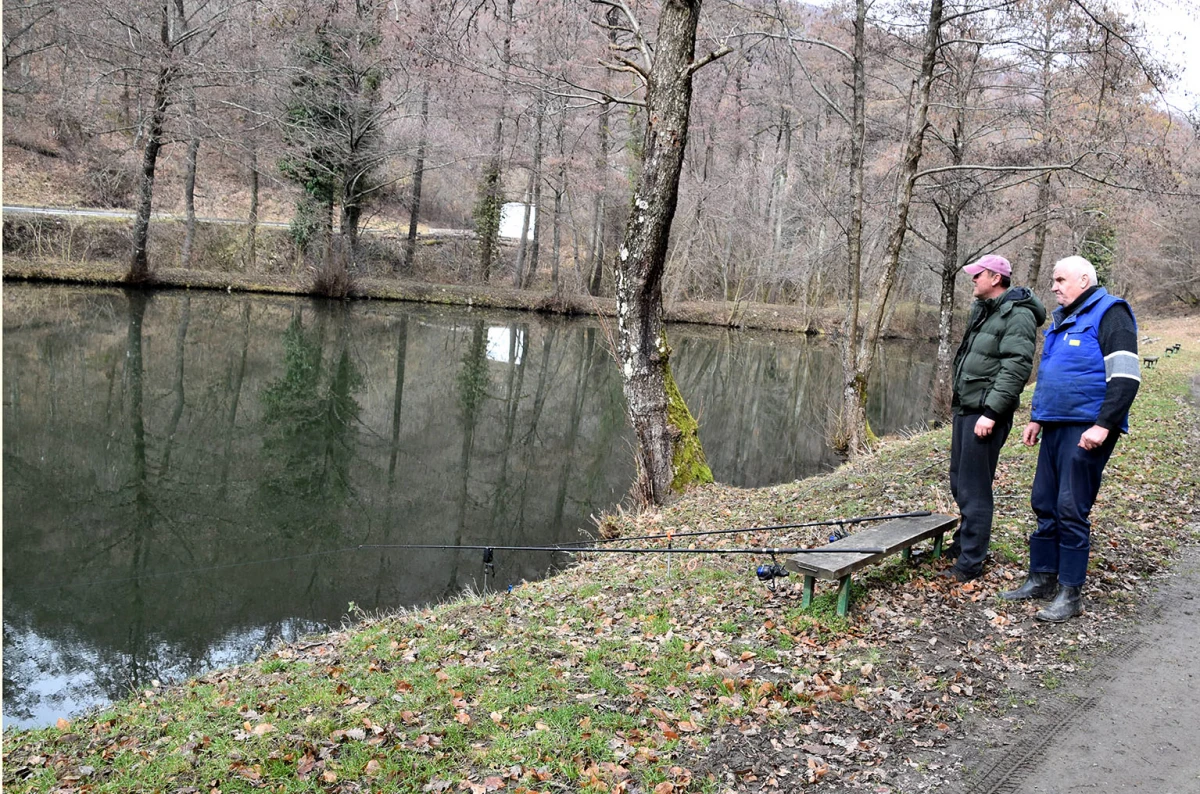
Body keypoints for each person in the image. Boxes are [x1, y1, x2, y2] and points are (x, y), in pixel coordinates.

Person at [1001, 255, 1140, 622]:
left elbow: (1126, 378)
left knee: (1070, 506)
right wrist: (1036, 417)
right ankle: (1042, 577)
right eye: (1053, 279)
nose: (1054, 286)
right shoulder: (1065, 320)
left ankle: (1070, 592)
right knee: (1043, 501)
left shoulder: (1112, 314)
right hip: (1055, 426)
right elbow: (1051, 375)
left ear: (1083, 279)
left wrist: (1104, 424)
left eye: (1060, 279)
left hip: (1087, 429)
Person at [942, 254, 1046, 583]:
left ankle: (970, 562)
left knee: (975, 489)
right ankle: (963, 544)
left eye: (977, 276)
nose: (973, 280)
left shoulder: (1018, 315)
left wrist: (991, 413)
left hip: (985, 413)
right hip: (967, 407)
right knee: (960, 481)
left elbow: (1016, 367)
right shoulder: (985, 310)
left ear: (995, 278)